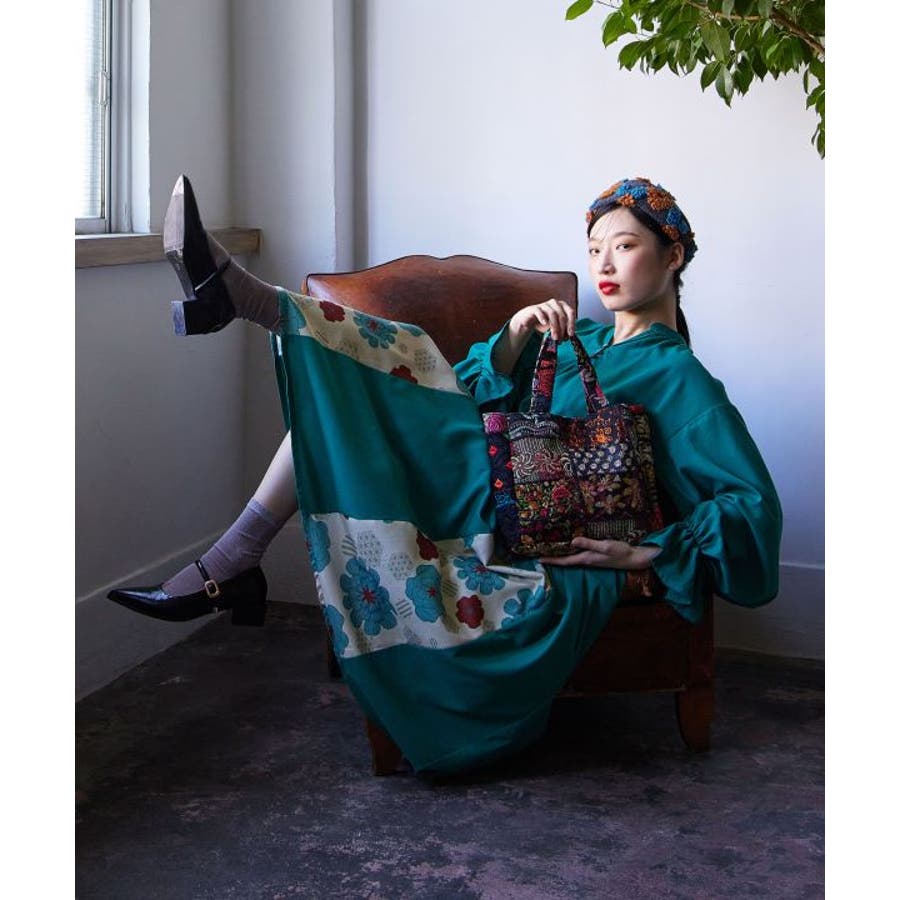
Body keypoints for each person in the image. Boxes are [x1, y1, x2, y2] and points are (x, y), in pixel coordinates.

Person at [108, 175, 782, 775]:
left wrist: (646, 552)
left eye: (625, 246)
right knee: (357, 404)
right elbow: (467, 391)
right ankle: (235, 542)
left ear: (673, 256)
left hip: (513, 517)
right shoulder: (583, 340)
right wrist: (515, 335)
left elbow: (752, 509)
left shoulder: (679, 376)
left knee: (376, 390)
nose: (603, 264)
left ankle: (251, 309)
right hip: (476, 482)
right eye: (594, 248)